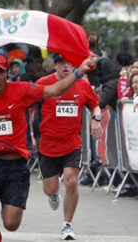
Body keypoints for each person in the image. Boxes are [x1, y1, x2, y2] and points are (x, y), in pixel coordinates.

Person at [0, 53, 96, 242]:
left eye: (0, 73)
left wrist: (79, 72)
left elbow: (54, 90)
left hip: (16, 167)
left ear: (7, 75)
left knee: (11, 224)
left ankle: (6, 202)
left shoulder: (21, 90)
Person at [36, 53, 102, 240]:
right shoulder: (43, 83)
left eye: (69, 63)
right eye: (61, 63)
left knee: (71, 181)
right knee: (50, 188)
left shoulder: (82, 84)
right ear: (55, 65)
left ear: (75, 65)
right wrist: (32, 135)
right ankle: (53, 194)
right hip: (48, 144)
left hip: (72, 143)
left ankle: (67, 225)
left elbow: (95, 105)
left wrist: (96, 119)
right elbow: (31, 108)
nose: (66, 66)